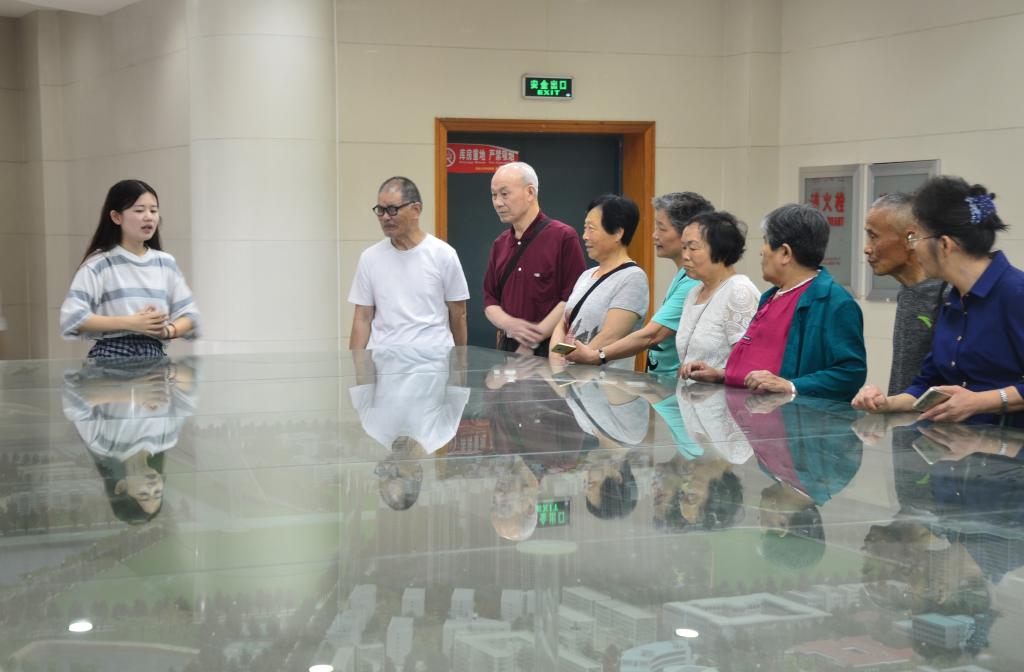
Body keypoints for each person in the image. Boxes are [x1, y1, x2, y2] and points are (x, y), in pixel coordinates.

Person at [852, 176, 1024, 426]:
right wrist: (886, 403)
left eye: (915, 239)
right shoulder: (952, 299)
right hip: (958, 446)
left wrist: (983, 401)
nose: (913, 249)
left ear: (944, 245)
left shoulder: (1015, 292)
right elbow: (928, 384)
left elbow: (975, 399)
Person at [683, 204, 867, 402]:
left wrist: (791, 386)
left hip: (792, 419)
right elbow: (761, 365)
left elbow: (851, 373)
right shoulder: (770, 297)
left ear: (785, 253)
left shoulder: (834, 302)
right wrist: (722, 374)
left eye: (765, 241)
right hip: (749, 414)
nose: (761, 251)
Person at [566, 192, 713, 373]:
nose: (654, 235)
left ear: (687, 233)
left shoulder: (692, 282)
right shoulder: (683, 276)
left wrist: (596, 355)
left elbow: (652, 335)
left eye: (661, 228)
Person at [60, 180, 200, 359]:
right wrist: (130, 323)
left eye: (153, 210)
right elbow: (72, 317)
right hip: (111, 356)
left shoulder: (165, 263)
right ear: (116, 217)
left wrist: (165, 331)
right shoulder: (100, 263)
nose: (149, 217)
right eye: (139, 210)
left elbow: (190, 315)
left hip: (155, 355)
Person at [64, 358, 198, 522]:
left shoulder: (102, 443)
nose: (153, 487)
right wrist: (169, 371)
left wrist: (132, 392)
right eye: (157, 493)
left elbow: (74, 396)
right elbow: (191, 387)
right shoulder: (168, 438)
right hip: (155, 348)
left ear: (121, 487)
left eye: (144, 494)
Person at [349, 176, 469, 349]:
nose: (385, 217)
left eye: (392, 209)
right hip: (383, 360)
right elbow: (362, 318)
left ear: (416, 210)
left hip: (433, 360)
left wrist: (460, 360)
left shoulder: (443, 255)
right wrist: (357, 364)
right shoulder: (369, 257)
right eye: (380, 210)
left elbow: (458, 314)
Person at [483, 162, 586, 356]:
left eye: (504, 194)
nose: (497, 202)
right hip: (508, 348)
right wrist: (509, 323)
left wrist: (532, 338)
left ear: (530, 192)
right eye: (494, 195)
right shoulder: (500, 244)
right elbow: (490, 300)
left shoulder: (563, 236)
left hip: (552, 348)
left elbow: (573, 297)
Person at [862, 192, 946, 395]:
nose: (867, 248)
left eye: (873, 236)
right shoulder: (907, 291)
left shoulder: (948, 295)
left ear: (910, 238)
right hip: (903, 412)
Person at [551, 194, 648, 369]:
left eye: (591, 229)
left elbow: (610, 336)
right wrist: (556, 360)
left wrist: (571, 364)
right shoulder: (586, 275)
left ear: (617, 233)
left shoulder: (633, 277)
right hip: (569, 378)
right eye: (585, 228)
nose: (584, 236)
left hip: (603, 381)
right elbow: (563, 324)